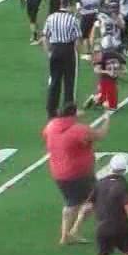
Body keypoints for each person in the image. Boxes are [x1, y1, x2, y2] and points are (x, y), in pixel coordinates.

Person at [44, 103, 106, 245]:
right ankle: (74, 230)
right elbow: (100, 135)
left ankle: (64, 235)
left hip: (58, 172)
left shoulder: (51, 125)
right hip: (79, 172)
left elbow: (48, 135)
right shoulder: (79, 130)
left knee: (71, 202)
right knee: (94, 199)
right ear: (73, 114)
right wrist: (107, 118)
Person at [40, 0, 81, 118]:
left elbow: (44, 37)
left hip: (55, 49)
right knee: (69, 81)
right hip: (68, 49)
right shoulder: (73, 19)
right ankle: (68, 110)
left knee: (54, 80)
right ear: (70, 5)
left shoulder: (51, 17)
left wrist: (49, 52)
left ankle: (51, 110)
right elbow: (78, 39)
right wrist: (79, 52)